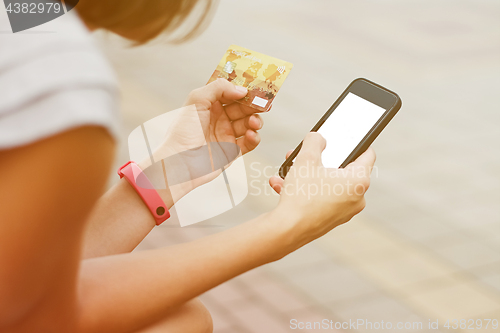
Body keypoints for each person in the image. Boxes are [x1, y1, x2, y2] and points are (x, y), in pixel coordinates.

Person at [0, 0, 376, 332]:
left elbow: (23, 277)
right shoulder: (57, 83)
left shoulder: (20, 21)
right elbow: (34, 315)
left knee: (182, 318)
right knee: (180, 321)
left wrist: (169, 172)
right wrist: (288, 226)